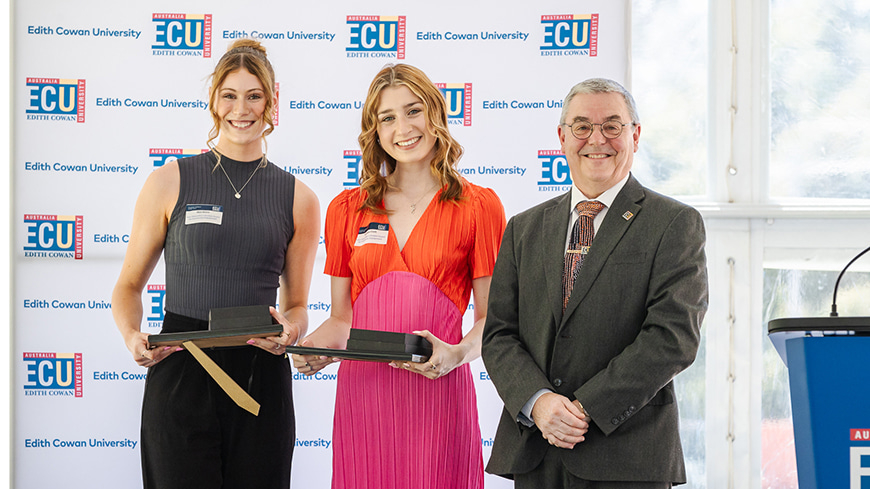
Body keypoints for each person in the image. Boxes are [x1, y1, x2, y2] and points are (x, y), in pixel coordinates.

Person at [111, 39, 319, 489]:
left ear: (272, 102)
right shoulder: (168, 181)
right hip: (181, 368)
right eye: (229, 95)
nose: (241, 109)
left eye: (254, 95)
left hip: (259, 374)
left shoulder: (300, 198)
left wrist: (293, 329)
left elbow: (299, 303)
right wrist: (132, 336)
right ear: (213, 102)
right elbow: (128, 286)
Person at [481, 78, 708, 488]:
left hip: (627, 454)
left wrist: (584, 408)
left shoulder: (674, 223)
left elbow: (673, 336)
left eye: (612, 126)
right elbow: (499, 335)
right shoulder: (523, 228)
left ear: (635, 135)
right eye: (582, 126)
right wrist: (540, 403)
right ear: (562, 137)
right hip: (537, 449)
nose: (596, 139)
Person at [291, 63, 506, 489]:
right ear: (375, 130)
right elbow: (342, 319)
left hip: (439, 390)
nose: (402, 128)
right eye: (387, 118)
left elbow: (492, 322)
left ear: (435, 114)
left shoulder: (479, 206)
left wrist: (458, 354)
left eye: (413, 111)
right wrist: (315, 347)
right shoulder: (346, 209)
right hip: (364, 395)